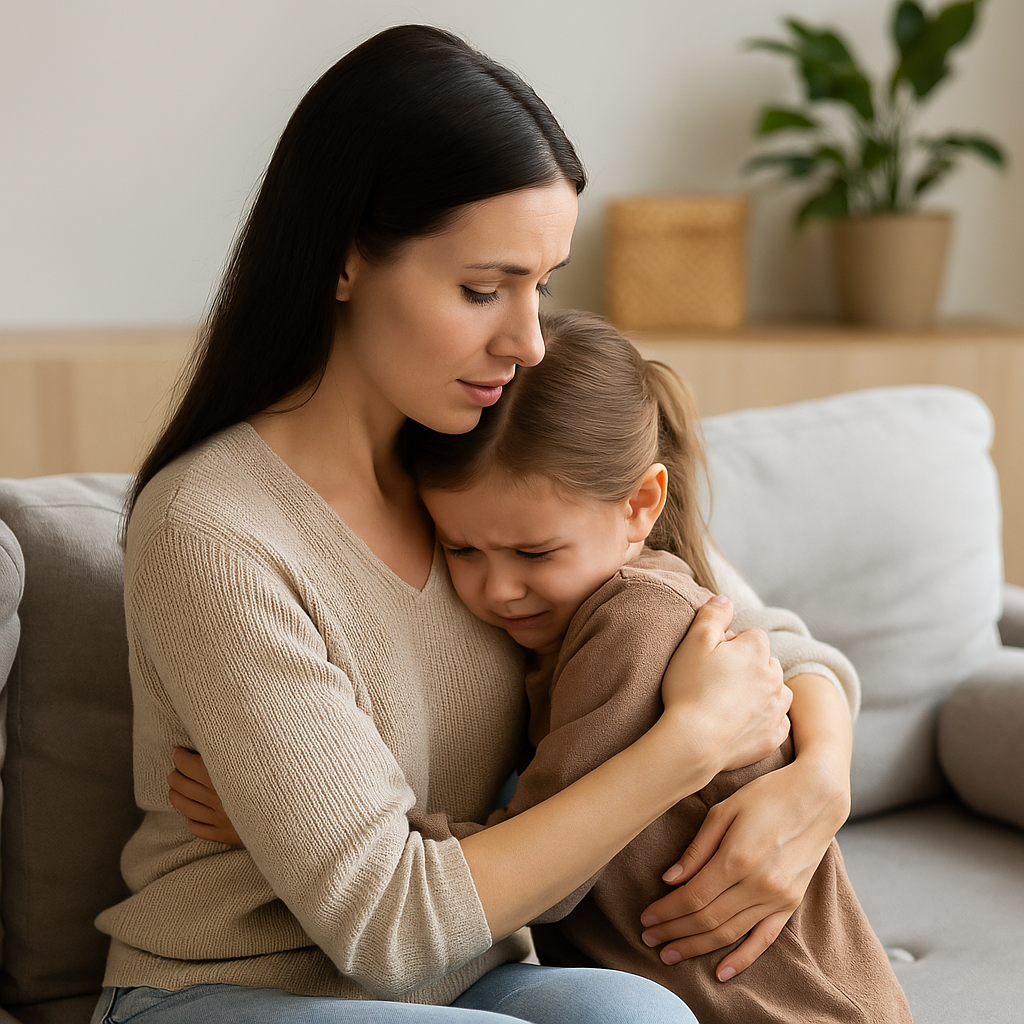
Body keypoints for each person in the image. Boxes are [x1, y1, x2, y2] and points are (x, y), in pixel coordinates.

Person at [95, 23, 857, 1024]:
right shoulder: (215, 527)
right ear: (343, 259)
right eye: (483, 289)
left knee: (640, 1016)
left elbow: (758, 637)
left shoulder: (484, 469)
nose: (528, 340)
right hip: (230, 988)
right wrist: (689, 743)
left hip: (466, 977)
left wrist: (822, 781)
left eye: (543, 285)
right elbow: (386, 925)